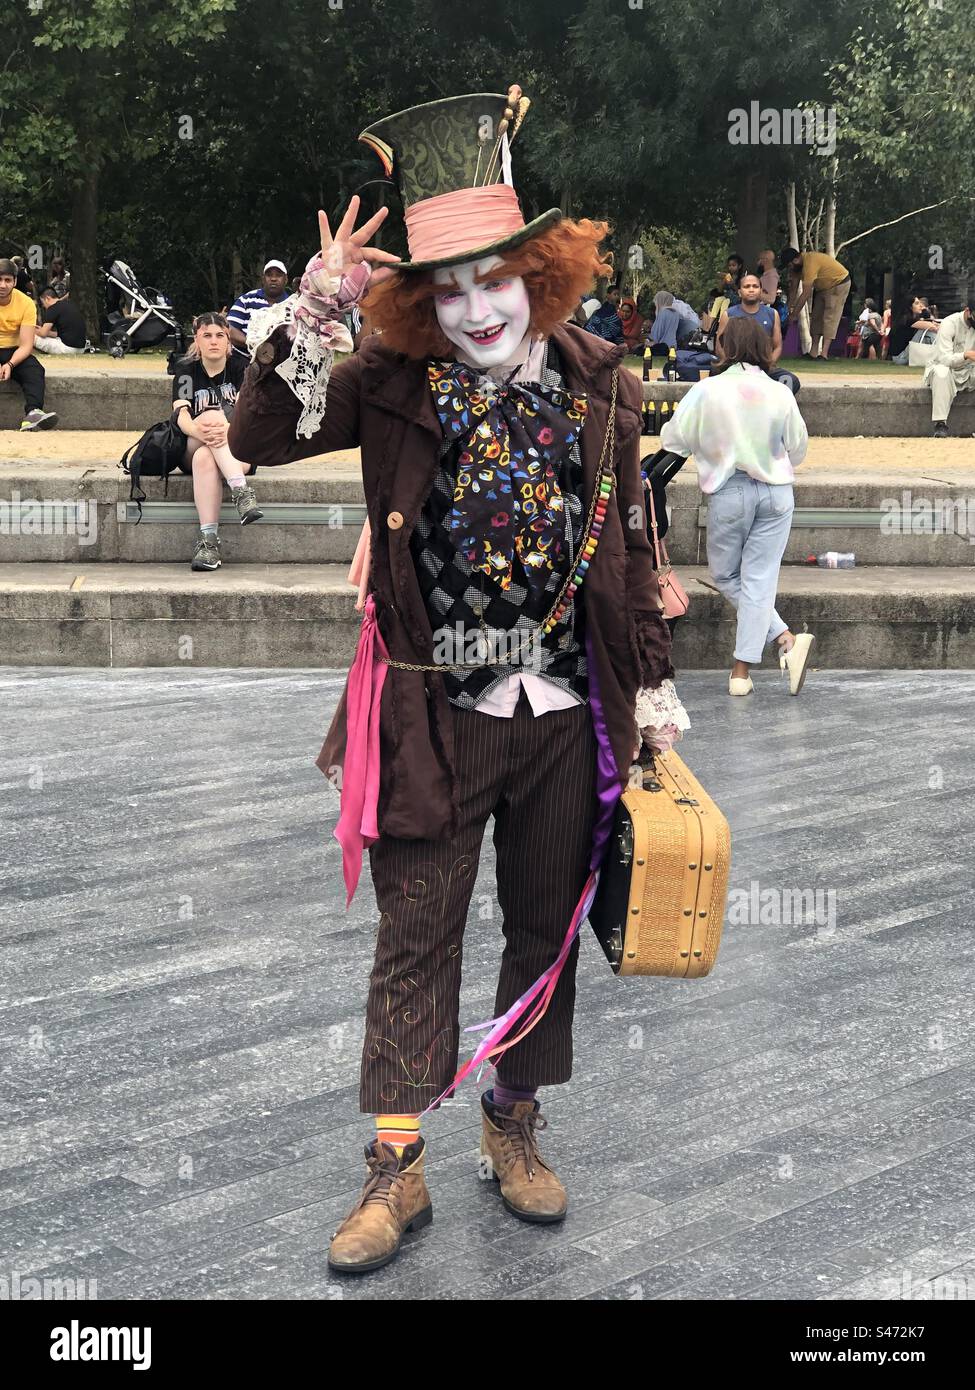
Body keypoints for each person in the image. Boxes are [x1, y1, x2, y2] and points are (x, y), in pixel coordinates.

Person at [229, 83, 688, 1275]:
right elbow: (259, 438)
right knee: (415, 938)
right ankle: (396, 1166)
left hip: (568, 714)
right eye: (447, 289)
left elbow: (632, 551)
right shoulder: (389, 381)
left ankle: (512, 1122)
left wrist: (650, 700)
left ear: (540, 272)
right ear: (418, 300)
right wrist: (316, 306)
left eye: (496, 281)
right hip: (433, 714)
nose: (477, 309)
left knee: (545, 931)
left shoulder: (603, 379)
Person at [660, 315, 814, 697]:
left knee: (728, 575)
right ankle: (772, 650)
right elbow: (798, 450)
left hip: (730, 491)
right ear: (763, 347)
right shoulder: (779, 392)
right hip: (777, 493)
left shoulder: (706, 391)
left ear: (723, 346)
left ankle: (758, 659)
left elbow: (672, 439)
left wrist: (711, 445)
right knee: (759, 578)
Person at [171, 312, 262, 569]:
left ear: (228, 340)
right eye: (207, 335)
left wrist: (228, 430)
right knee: (210, 418)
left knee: (205, 457)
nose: (214, 341)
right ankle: (241, 492)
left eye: (220, 335)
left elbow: (249, 415)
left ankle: (208, 544)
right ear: (196, 340)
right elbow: (181, 414)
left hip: (236, 448)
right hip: (194, 443)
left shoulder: (243, 369)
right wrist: (199, 431)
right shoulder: (186, 370)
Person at [0, 258, 58, 430]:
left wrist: (10, 364)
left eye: (7, 280)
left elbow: (26, 345)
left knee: (34, 369)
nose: (2, 285)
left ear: (15, 282)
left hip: (14, 350)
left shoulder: (25, 303)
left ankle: (33, 412)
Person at [718, 273, 800, 394]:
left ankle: (771, 404)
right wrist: (731, 365)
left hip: (763, 367)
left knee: (791, 380)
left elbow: (777, 346)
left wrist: (768, 365)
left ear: (761, 291)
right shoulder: (728, 314)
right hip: (735, 367)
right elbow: (719, 345)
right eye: (747, 286)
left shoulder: (772, 314)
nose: (751, 289)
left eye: (755, 286)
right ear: (739, 292)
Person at [779, 246, 851, 359]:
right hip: (822, 287)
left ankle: (824, 354)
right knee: (816, 316)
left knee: (830, 317)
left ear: (796, 260)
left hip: (838, 283)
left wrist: (794, 314)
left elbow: (805, 294)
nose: (789, 269)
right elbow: (793, 290)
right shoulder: (796, 268)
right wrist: (787, 309)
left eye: (789, 265)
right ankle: (813, 352)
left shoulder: (810, 263)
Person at [924, 300, 975, 438]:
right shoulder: (949, 323)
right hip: (946, 369)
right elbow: (944, 359)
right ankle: (940, 424)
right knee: (942, 373)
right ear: (968, 311)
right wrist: (965, 355)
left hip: (969, 369)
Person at [226, 259, 291, 353]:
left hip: (281, 359)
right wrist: (255, 346)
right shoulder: (246, 300)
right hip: (244, 356)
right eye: (269, 275)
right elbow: (229, 329)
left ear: (286, 280)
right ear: (263, 279)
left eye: (278, 275)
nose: (273, 279)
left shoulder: (293, 305)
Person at [34, 285, 87, 354]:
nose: (43, 306)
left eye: (42, 303)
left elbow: (43, 333)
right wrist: (41, 330)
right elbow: (61, 334)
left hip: (68, 348)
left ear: (47, 298)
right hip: (81, 349)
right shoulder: (69, 305)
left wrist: (32, 329)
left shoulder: (52, 308)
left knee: (29, 336)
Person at [888, 295, 935, 363]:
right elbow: (931, 326)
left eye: (920, 303)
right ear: (910, 306)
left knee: (927, 330)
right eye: (917, 303)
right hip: (900, 358)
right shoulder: (907, 320)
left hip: (903, 355)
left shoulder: (908, 319)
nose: (921, 306)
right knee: (925, 330)